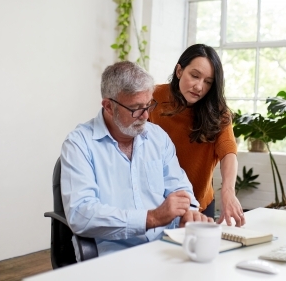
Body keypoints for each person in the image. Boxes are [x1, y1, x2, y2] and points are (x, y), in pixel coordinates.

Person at [60, 61, 212, 257]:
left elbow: (179, 187)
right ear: (108, 106)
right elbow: (81, 214)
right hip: (115, 256)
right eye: (136, 108)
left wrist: (189, 212)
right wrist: (151, 218)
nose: (146, 115)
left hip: (166, 246)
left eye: (148, 105)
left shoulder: (157, 137)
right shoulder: (79, 144)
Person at [149, 44, 245, 227]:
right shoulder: (153, 97)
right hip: (158, 203)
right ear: (179, 71)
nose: (199, 86)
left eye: (208, 82)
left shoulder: (218, 113)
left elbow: (228, 152)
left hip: (199, 206)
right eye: (194, 76)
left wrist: (228, 191)